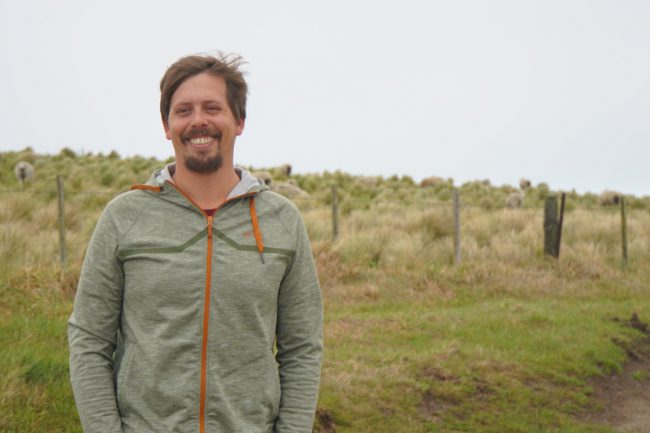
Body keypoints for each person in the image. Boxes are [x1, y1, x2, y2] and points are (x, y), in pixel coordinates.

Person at [68, 53, 323, 433]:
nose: (198, 120)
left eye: (212, 108)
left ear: (239, 121)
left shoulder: (282, 220)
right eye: (183, 110)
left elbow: (302, 347)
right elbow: (89, 339)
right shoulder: (124, 216)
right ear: (166, 125)